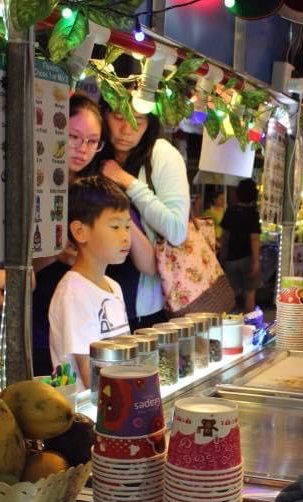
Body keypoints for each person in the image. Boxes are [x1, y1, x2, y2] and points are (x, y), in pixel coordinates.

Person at [32, 93, 154, 374]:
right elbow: (19, 268)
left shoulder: (96, 192)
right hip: (44, 319)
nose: (82, 148)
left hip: (95, 319)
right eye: (74, 137)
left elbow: (147, 261)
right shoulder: (35, 187)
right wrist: (55, 253)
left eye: (92, 141)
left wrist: (121, 214)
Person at [99, 102, 190, 331]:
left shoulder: (161, 154)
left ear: (149, 123)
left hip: (145, 309)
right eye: (119, 117)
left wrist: (128, 182)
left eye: (137, 121)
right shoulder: (95, 151)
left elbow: (176, 230)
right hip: (98, 300)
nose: (127, 129)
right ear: (104, 115)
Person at [49, 177, 131, 391]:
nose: (125, 237)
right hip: (90, 413)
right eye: (115, 226)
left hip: (119, 401)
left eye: (127, 226)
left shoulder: (113, 286)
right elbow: (92, 377)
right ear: (79, 231)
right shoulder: (73, 292)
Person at [220, 178, 261, 314]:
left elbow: (224, 236)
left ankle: (232, 326)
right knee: (249, 293)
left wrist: (222, 256)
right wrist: (256, 262)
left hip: (230, 260)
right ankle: (249, 326)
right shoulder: (253, 213)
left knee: (231, 295)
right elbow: (254, 238)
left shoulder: (230, 211)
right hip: (247, 259)